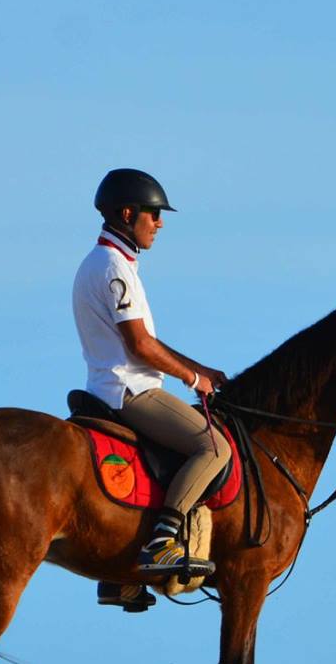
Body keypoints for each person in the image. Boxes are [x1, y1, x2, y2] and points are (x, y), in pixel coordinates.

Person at [72, 169, 230, 595]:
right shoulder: (113, 268)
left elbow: (148, 342)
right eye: (154, 214)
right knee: (214, 447)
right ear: (129, 213)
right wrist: (193, 378)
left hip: (112, 385)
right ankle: (162, 541)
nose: (159, 223)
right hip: (130, 391)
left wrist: (203, 370)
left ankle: (118, 574)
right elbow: (140, 346)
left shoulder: (108, 262)